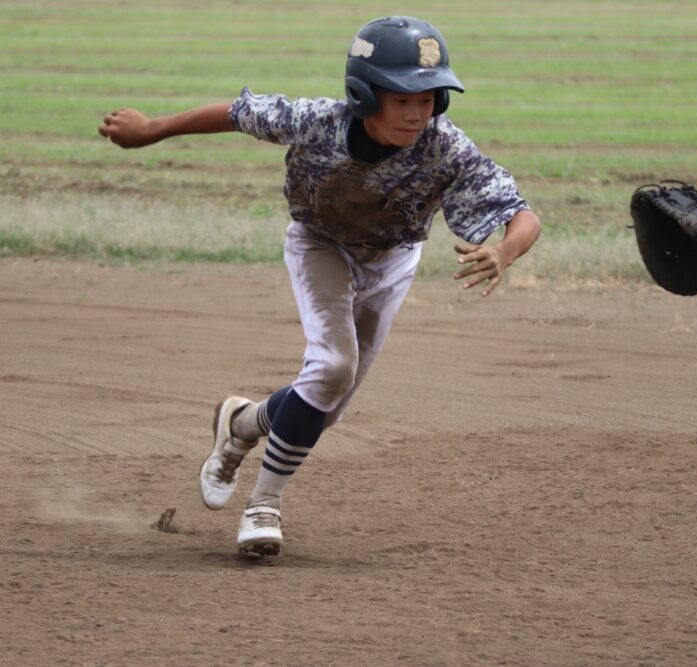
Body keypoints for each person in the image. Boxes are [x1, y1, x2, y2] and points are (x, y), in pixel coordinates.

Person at [97, 16, 541, 557]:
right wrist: (151, 130)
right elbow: (237, 113)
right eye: (402, 97)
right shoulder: (316, 122)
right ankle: (264, 506)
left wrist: (504, 250)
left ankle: (241, 422)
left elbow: (522, 216)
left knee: (326, 402)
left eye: (429, 97)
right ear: (363, 92)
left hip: (392, 260)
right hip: (320, 245)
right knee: (332, 368)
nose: (417, 111)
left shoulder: (445, 148)